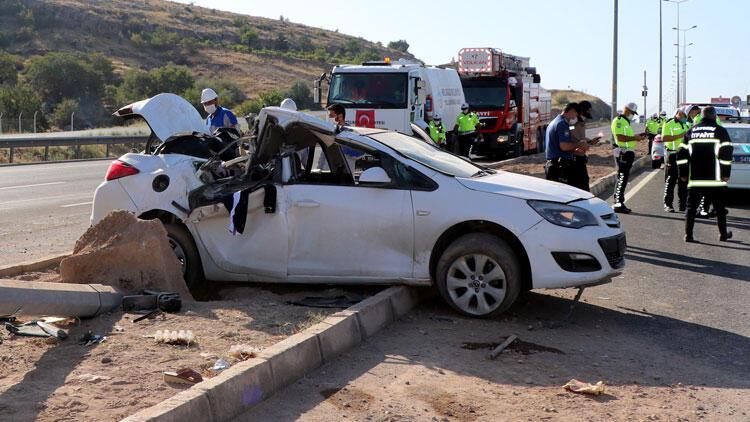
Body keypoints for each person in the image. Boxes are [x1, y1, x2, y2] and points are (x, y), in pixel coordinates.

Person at [677, 106, 734, 242]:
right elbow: (726, 154)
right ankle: (723, 234)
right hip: (716, 181)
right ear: (714, 116)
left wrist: (683, 174)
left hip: (695, 180)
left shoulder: (691, 131)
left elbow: (681, 153)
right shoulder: (720, 131)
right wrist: (726, 174)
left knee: (690, 209)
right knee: (720, 210)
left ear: (701, 116)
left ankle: (688, 235)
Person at [611, 102, 646, 213]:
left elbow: (627, 137)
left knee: (624, 178)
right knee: (622, 177)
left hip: (627, 153)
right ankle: (618, 203)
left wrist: (637, 137)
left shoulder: (626, 122)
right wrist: (635, 138)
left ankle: (620, 202)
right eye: (632, 113)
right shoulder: (619, 121)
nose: (633, 115)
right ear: (626, 110)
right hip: (623, 153)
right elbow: (620, 138)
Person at [545, 103, 588, 184]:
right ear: (572, 111)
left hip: (553, 165)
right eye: (575, 114)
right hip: (560, 167)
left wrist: (574, 150)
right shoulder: (562, 124)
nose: (575, 117)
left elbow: (558, 146)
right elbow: (564, 146)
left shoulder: (554, 122)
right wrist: (579, 144)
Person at [661, 108, 689, 212]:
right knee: (671, 180)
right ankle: (668, 204)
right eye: (681, 115)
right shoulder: (669, 123)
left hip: (684, 155)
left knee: (683, 180)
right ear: (676, 114)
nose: (683, 117)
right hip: (672, 154)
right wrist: (680, 136)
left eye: (684, 115)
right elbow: (664, 138)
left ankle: (683, 205)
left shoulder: (687, 124)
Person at [569, 101, 601, 191]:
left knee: (584, 182)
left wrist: (590, 141)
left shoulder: (580, 121)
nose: (589, 113)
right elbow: (572, 135)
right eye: (588, 110)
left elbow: (580, 137)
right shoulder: (573, 122)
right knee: (581, 184)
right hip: (575, 157)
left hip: (581, 156)